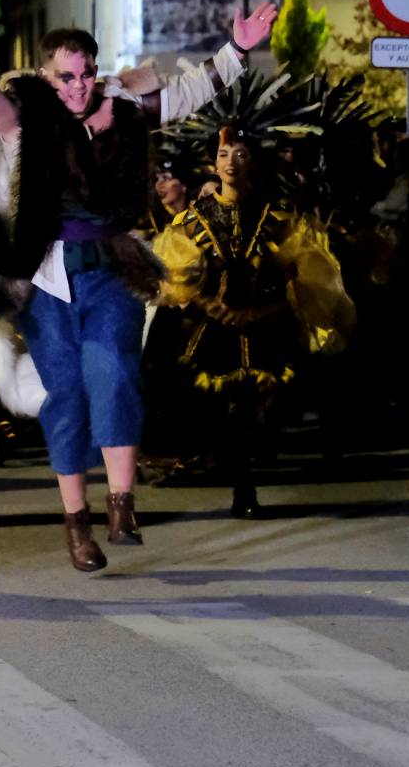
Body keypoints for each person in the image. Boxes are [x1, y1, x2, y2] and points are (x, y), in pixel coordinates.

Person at [0, 1, 276, 570]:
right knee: (65, 394)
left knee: (114, 373)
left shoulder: (124, 110)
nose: (78, 86)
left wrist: (237, 49)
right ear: (46, 76)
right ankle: (76, 523)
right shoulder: (27, 117)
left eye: (86, 73)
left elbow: (189, 94)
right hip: (46, 278)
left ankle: (121, 505)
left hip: (112, 268)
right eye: (66, 76)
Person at [152, 126, 355, 516]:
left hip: (265, 325)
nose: (231, 162)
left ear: (254, 163)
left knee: (253, 408)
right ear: (214, 164)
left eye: (241, 154)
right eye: (224, 154)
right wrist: (210, 306)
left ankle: (245, 486)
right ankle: (236, 479)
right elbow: (175, 278)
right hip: (213, 327)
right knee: (219, 405)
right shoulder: (192, 219)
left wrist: (266, 310)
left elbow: (302, 273)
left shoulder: (277, 215)